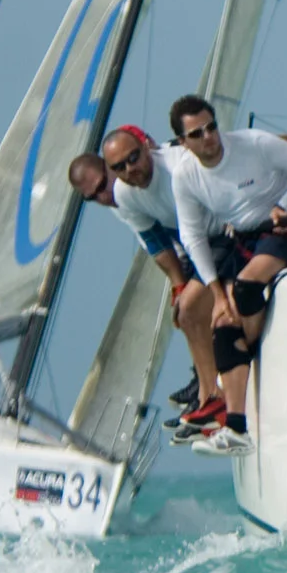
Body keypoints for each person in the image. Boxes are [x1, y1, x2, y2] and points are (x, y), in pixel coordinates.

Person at [166, 96, 287, 456]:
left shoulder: (253, 143)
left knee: (246, 290)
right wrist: (216, 293)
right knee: (223, 322)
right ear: (183, 143)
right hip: (246, 240)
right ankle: (236, 428)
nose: (209, 137)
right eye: (197, 134)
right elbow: (192, 236)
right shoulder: (186, 175)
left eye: (212, 127)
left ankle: (245, 353)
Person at [67, 126, 219, 434]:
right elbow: (156, 244)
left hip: (217, 234)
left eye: (101, 185)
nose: (102, 196)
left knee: (195, 310)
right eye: (93, 196)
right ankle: (204, 389)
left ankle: (211, 395)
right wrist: (178, 285)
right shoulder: (121, 199)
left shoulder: (160, 172)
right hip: (191, 245)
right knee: (183, 310)